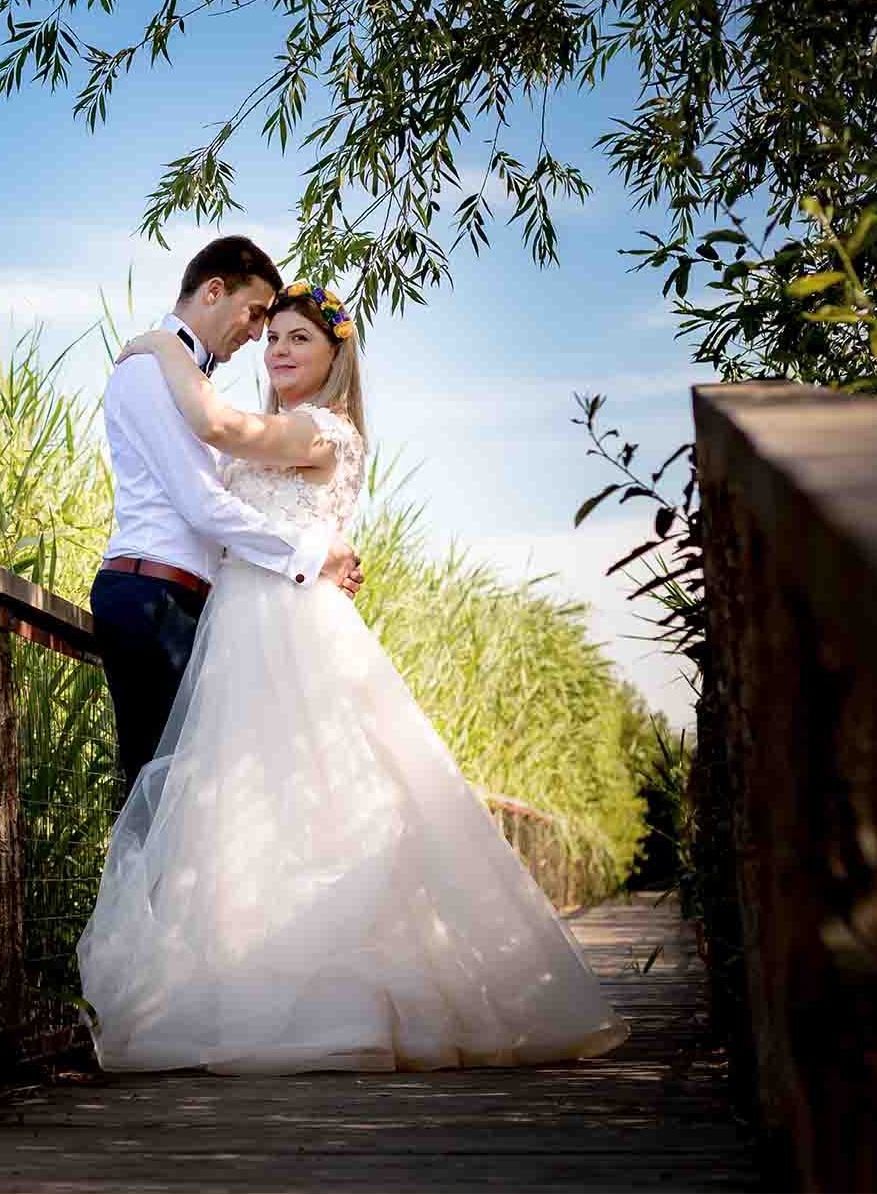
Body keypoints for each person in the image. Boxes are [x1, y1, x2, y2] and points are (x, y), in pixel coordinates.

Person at [77, 281, 630, 1075]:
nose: (279, 351)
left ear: (337, 357)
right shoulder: (289, 429)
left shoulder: (320, 429)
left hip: (288, 623)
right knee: (245, 803)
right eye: (273, 339)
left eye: (300, 338)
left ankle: (335, 999)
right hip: (239, 621)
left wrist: (165, 345)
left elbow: (213, 424)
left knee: (317, 792)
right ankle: (239, 982)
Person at [91, 236, 363, 796]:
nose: (263, 337)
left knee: (204, 797)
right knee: (160, 794)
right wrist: (313, 556)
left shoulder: (197, 386)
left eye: (294, 336)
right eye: (260, 316)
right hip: (153, 597)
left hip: (199, 607)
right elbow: (203, 505)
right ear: (215, 291)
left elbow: (223, 449)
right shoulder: (151, 371)